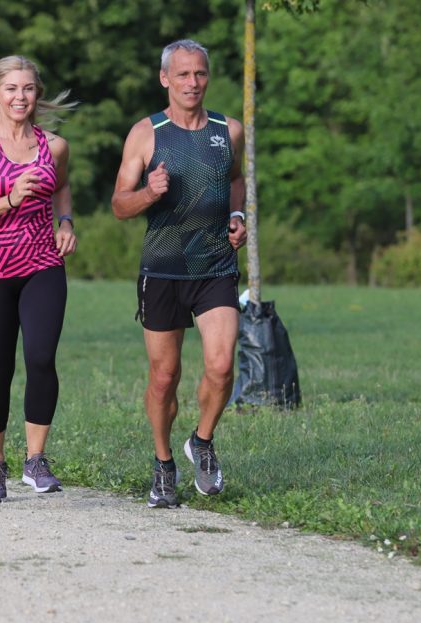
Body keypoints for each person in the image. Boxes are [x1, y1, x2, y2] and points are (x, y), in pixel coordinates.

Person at [111, 39, 247, 508]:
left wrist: (239, 216)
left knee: (222, 364)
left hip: (215, 265)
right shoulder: (147, 133)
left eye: (201, 74)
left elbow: (235, 179)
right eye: (184, 75)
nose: (193, 83)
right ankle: (164, 463)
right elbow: (118, 205)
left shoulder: (229, 130)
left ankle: (203, 442)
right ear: (165, 78)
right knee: (164, 376)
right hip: (163, 269)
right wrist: (149, 193)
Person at [0, 55, 77, 502]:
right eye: (11, 89)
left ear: (37, 93)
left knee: (42, 358)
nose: (20, 97)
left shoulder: (55, 146)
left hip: (43, 265)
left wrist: (65, 222)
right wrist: (9, 198)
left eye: (27, 88)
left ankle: (36, 459)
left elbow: (61, 186)